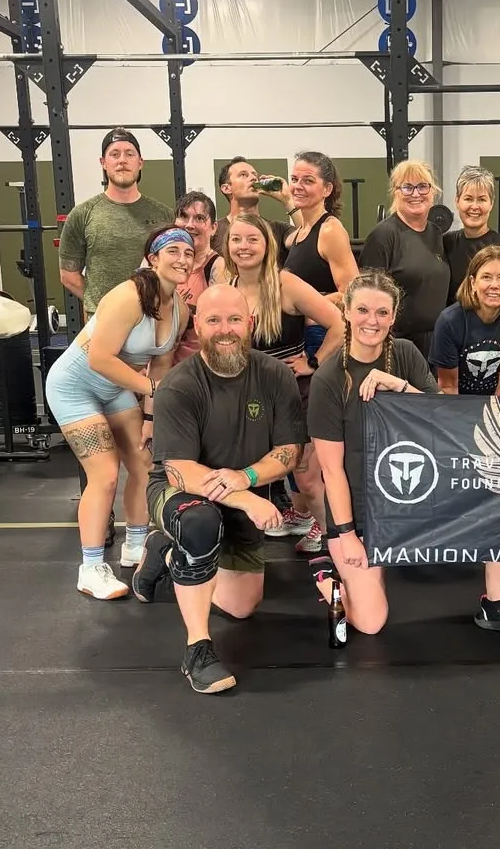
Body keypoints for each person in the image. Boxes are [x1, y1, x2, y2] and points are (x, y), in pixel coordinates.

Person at [130, 284, 307, 694]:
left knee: (243, 607)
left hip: (240, 491)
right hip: (179, 491)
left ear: (252, 323)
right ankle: (198, 648)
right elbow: (180, 469)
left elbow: (289, 452)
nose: (224, 329)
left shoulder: (276, 375)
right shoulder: (179, 384)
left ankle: (166, 551)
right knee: (198, 522)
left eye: (233, 319)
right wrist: (244, 497)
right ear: (198, 326)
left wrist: (244, 480)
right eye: (213, 320)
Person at [45, 224, 192, 600]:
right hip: (75, 386)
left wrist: (151, 416)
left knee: (144, 465)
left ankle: (136, 547)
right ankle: (91, 567)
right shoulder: (128, 296)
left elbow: (160, 364)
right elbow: (99, 358)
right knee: (106, 475)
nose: (182, 259)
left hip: (117, 389)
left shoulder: (181, 309)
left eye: (188, 253)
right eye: (172, 251)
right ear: (153, 258)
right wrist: (152, 390)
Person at [308, 270, 441, 636]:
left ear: (394, 316)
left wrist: (398, 385)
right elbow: (331, 470)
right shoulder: (329, 379)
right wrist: (348, 533)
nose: (372, 320)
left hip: (403, 501)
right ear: (347, 312)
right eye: (363, 310)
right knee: (370, 622)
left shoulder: (407, 356)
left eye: (382, 312)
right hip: (360, 513)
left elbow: (444, 417)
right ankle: (324, 568)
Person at [430, 246, 500, 639]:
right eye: (487, 277)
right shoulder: (451, 320)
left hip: (495, 412)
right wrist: (463, 436)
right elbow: (447, 386)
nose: (495, 285)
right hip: (455, 409)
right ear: (473, 282)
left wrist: (493, 437)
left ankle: (497, 599)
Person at [222, 212, 345, 553]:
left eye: (252, 240)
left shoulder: (285, 284)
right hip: (250, 396)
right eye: (237, 239)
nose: (244, 247)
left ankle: (336, 539)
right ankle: (299, 520)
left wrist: (314, 361)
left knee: (306, 476)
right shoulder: (225, 286)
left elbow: (339, 324)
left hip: (293, 392)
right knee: (267, 470)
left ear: (267, 246)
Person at [57, 129, 175, 318]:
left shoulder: (164, 215)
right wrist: (104, 305)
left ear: (140, 163)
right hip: (102, 320)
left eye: (129, 154)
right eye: (114, 154)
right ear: (103, 163)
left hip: (152, 318)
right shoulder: (82, 214)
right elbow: (68, 275)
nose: (122, 160)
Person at [358, 159, 450, 360]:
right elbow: (367, 297)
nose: (416, 194)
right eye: (407, 187)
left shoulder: (435, 233)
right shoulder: (383, 235)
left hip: (436, 343)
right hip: (397, 345)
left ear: (433, 191)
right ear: (395, 193)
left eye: (422, 187)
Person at [283, 150, 359, 360]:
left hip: (321, 338)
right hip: (300, 339)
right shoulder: (300, 232)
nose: (298, 186)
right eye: (294, 179)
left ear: (327, 189)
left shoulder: (330, 230)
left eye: (308, 181)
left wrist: (307, 304)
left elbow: (352, 292)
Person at [442, 165, 500, 304]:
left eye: (481, 199)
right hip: (453, 324)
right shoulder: (445, 242)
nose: (474, 206)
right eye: (468, 199)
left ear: (491, 203)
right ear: (457, 201)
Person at [212, 156, 301, 265]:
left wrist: (288, 201)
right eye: (243, 175)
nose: (253, 178)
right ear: (226, 188)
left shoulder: (278, 229)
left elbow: (308, 240)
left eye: (255, 175)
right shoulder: (214, 232)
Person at [172, 191, 226, 365]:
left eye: (199, 218)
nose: (189, 225)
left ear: (213, 227)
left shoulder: (217, 268)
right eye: (184, 216)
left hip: (199, 371)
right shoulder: (159, 262)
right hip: (160, 372)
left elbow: (219, 328)